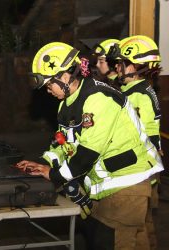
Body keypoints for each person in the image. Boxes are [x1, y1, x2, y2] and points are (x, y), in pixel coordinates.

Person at [16, 42, 163, 249]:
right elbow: (64, 143)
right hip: (111, 187)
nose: (48, 90)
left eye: (49, 84)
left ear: (65, 76)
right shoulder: (67, 103)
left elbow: (86, 153)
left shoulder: (98, 99)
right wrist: (42, 163)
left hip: (127, 185)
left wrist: (54, 175)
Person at [110, 34, 163, 250]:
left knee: (130, 230)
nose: (118, 69)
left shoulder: (137, 96)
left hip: (140, 169)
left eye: (122, 64)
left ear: (136, 67)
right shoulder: (139, 90)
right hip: (148, 167)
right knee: (143, 225)